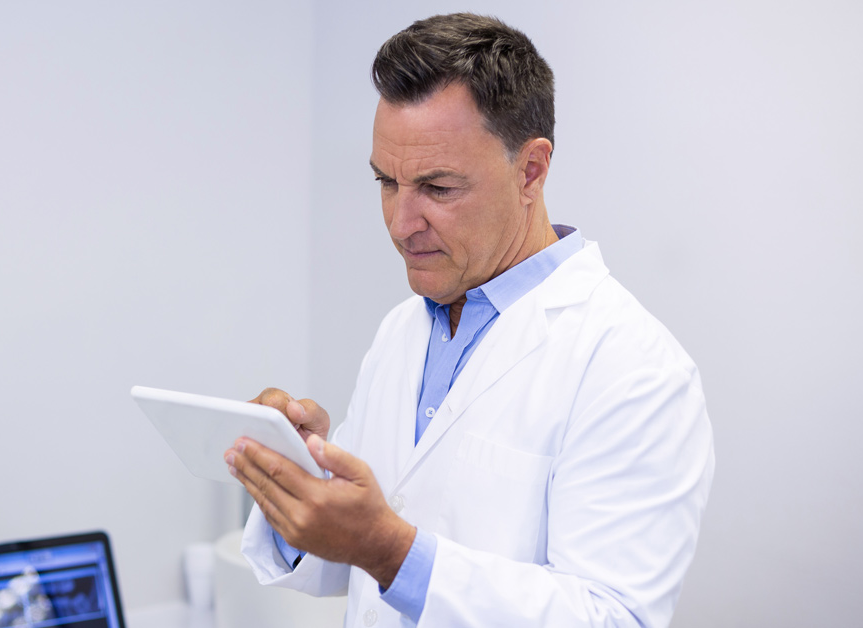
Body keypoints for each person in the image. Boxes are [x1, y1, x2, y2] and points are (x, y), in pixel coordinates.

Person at [223, 12, 713, 628]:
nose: (401, 223)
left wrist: (389, 549)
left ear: (530, 171)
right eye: (386, 182)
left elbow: (612, 617)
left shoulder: (632, 367)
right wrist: (301, 487)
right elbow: (356, 568)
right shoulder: (404, 329)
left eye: (438, 187)